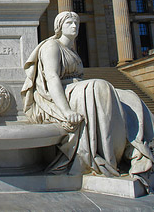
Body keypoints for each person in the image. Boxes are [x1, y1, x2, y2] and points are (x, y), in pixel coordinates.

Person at [21, 11, 154, 182]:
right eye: (70, 22)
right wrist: (67, 111)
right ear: (59, 27)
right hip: (59, 95)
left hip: (78, 90)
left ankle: (135, 148)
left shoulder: (72, 51)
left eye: (76, 22)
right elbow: (52, 78)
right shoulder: (51, 46)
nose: (75, 26)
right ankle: (106, 155)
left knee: (129, 96)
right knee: (99, 86)